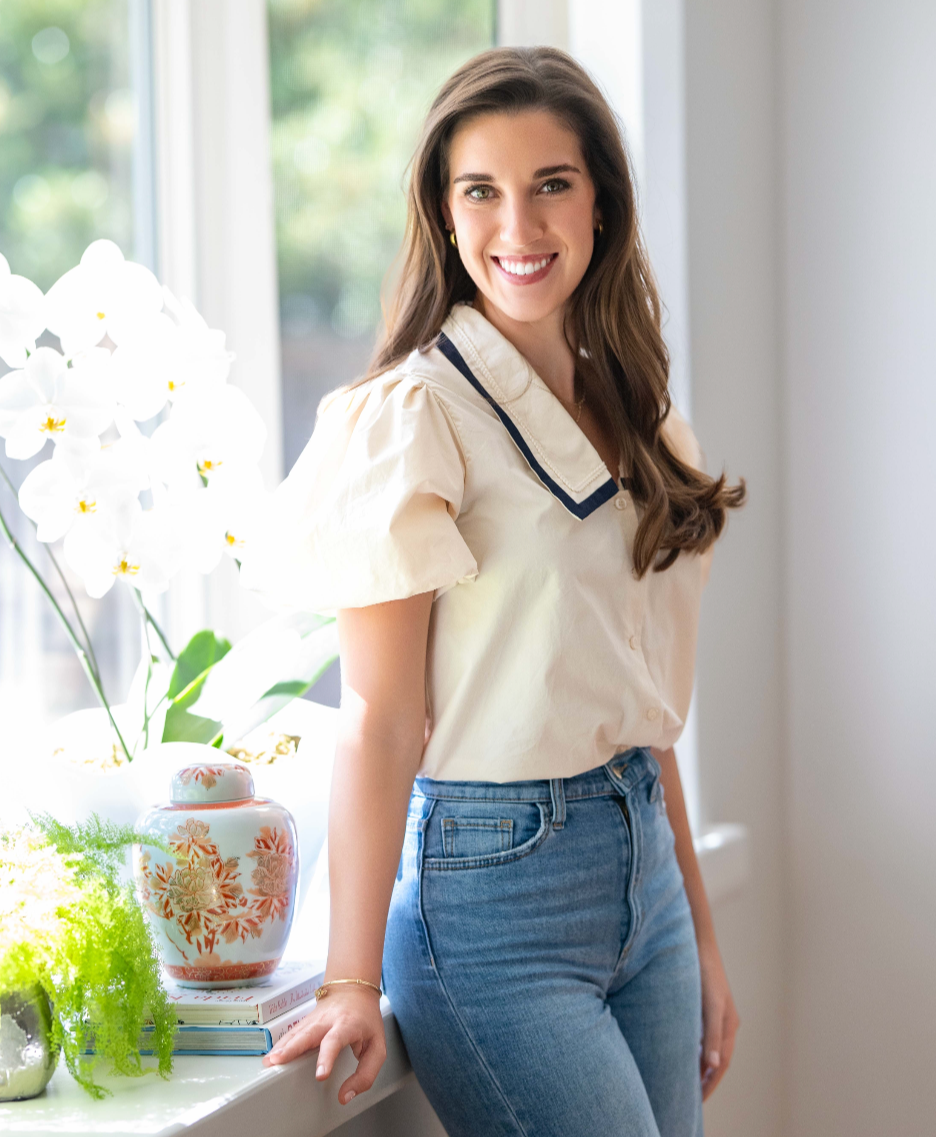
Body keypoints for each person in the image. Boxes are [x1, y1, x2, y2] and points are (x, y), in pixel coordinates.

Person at [255, 45, 745, 1137]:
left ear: (602, 205)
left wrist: (701, 938)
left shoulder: (641, 415)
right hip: (492, 906)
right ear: (442, 211)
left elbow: (645, 702)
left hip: (643, 878)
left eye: (551, 186)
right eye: (481, 190)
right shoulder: (411, 416)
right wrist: (346, 981)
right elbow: (380, 720)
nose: (517, 228)